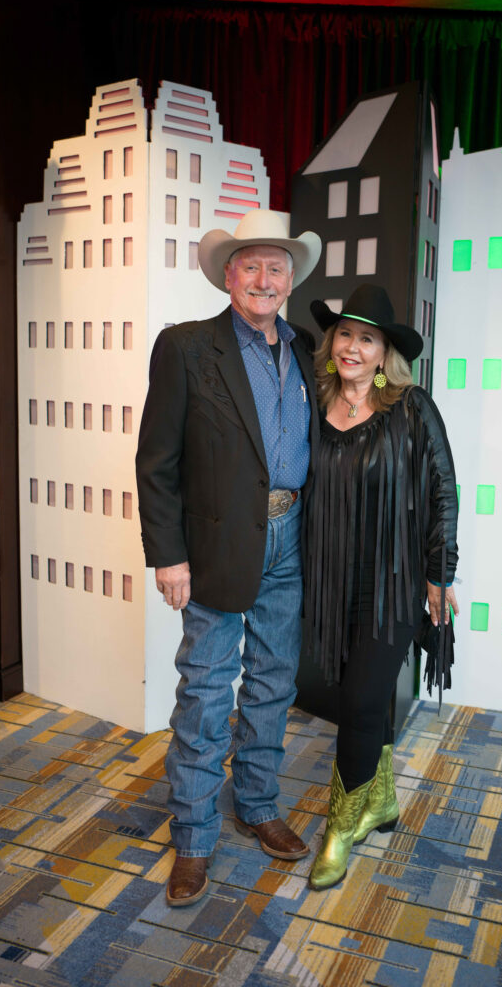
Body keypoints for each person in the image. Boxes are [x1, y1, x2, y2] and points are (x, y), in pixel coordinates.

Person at [136, 210, 322, 907]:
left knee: (274, 681)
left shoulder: (303, 348)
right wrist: (169, 555)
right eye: (251, 266)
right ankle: (192, 838)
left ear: (291, 279)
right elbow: (156, 462)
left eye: (276, 267)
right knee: (207, 691)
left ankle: (258, 803)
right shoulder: (186, 348)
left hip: (290, 537)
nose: (263, 278)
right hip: (214, 545)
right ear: (227, 275)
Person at [303, 283, 460, 890]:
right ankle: (382, 800)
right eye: (344, 334)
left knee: (363, 702)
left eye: (366, 338)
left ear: (383, 352)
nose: (352, 347)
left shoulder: (411, 407)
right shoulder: (315, 402)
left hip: (392, 582)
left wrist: (440, 573)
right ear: (332, 342)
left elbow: (442, 491)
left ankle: (341, 827)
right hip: (329, 579)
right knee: (353, 694)